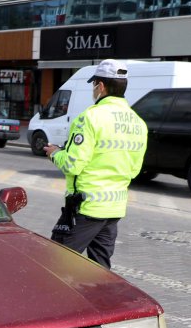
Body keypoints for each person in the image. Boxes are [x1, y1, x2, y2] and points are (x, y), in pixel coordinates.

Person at [43, 59, 147, 269]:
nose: (93, 89)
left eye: (93, 84)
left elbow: (73, 164)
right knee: (100, 270)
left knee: (54, 265)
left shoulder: (89, 118)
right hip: (114, 209)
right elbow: (134, 170)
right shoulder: (138, 122)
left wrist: (55, 153)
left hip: (86, 208)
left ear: (100, 86)